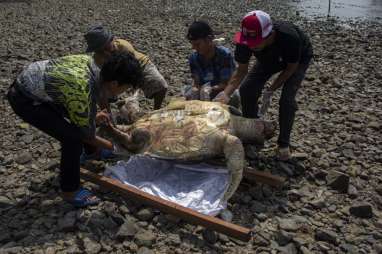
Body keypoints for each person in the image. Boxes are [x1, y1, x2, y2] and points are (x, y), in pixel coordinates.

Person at [7, 52, 143, 208]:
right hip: (25, 99)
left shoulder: (93, 66)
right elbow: (86, 135)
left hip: (42, 87)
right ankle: (70, 191)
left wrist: (92, 117)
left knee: (82, 120)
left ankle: (92, 153)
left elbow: (81, 107)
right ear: (114, 84)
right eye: (126, 87)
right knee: (72, 139)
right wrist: (118, 148)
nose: (124, 91)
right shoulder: (82, 88)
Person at [105, 99, 276, 201]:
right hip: (163, 133)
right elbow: (235, 148)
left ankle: (123, 115)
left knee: (141, 123)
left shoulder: (222, 108)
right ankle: (114, 127)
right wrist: (231, 186)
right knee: (137, 141)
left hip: (163, 120)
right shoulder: (229, 138)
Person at [214, 10, 313, 161]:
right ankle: (253, 134)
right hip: (268, 58)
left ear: (270, 34)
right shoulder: (244, 40)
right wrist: (225, 94)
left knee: (287, 99)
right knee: (247, 89)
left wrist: (270, 90)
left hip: (298, 59)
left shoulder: (289, 38)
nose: (251, 47)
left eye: (255, 43)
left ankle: (283, 145)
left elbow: (290, 68)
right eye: (249, 43)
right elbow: (241, 71)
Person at [84, 25, 168, 110]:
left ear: (112, 40)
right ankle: (108, 114)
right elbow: (102, 76)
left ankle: (156, 110)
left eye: (106, 47)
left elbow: (132, 66)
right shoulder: (97, 58)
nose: (105, 52)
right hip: (117, 73)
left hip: (139, 65)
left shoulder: (124, 46)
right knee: (101, 91)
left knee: (160, 85)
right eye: (100, 51)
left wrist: (134, 85)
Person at [184, 21, 240, 108]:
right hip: (203, 92)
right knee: (188, 92)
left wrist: (210, 89)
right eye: (192, 44)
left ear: (209, 39)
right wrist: (194, 90)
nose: (194, 48)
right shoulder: (193, 58)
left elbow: (226, 83)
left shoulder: (224, 55)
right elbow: (196, 82)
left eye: (197, 44)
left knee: (235, 96)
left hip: (220, 91)